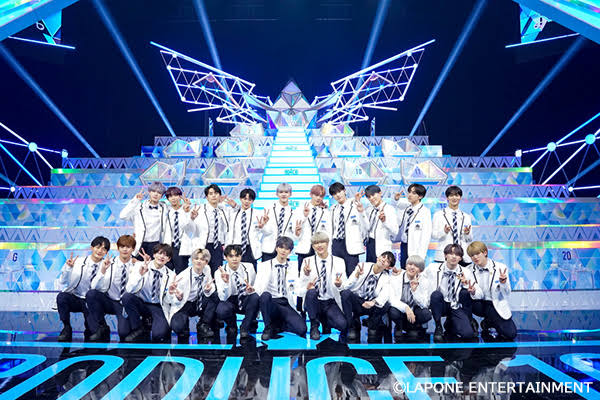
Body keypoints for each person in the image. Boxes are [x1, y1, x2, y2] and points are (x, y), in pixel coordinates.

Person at [55, 236, 110, 342]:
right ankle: (66, 328)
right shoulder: (78, 262)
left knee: (92, 332)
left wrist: (103, 271)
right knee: (62, 297)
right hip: (77, 298)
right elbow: (62, 281)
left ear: (106, 252)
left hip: (92, 301)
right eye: (98, 247)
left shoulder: (107, 266)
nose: (100, 251)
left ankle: (102, 326)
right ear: (91, 247)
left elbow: (100, 288)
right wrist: (68, 268)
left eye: (104, 249)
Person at [297, 232, 347, 341]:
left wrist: (339, 285)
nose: (319, 245)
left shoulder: (339, 261)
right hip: (314, 301)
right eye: (316, 243)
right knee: (311, 292)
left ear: (328, 243)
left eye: (322, 242)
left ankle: (325, 321)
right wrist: (306, 276)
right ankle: (314, 326)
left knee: (343, 325)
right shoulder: (307, 261)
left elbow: (344, 285)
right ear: (312, 246)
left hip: (330, 302)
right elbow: (300, 288)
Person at [421, 244, 476, 342]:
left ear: (460, 258)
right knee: (436, 295)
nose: (454, 257)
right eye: (451, 254)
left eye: (457, 255)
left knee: (467, 334)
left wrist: (467, 286)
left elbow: (478, 291)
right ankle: (438, 326)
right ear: (445, 255)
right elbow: (421, 279)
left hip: (455, 305)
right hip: (440, 304)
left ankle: (450, 323)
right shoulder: (432, 268)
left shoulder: (466, 272)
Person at [255, 236, 307, 340]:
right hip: (271, 302)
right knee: (265, 295)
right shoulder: (264, 265)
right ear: (276, 248)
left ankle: (278, 326)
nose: (283, 251)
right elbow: (258, 287)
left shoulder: (293, 266)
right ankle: (268, 327)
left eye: (287, 249)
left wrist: (306, 286)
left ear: (290, 251)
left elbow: (297, 288)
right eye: (281, 247)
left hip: (285, 302)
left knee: (302, 329)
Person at [86, 234, 136, 342]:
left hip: (125, 303)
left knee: (123, 333)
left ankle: (140, 326)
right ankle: (102, 326)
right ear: (118, 248)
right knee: (91, 294)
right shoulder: (108, 263)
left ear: (133, 249)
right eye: (122, 246)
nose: (125, 249)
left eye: (128, 247)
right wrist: (103, 270)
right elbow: (94, 286)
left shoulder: (137, 265)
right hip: (110, 301)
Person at [122, 243, 176, 343]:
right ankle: (138, 328)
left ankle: (151, 324)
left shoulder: (171, 275)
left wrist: (171, 293)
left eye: (165, 255)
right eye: (159, 253)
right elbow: (129, 289)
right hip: (141, 303)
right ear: (154, 255)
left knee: (159, 335)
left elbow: (168, 300)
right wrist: (140, 275)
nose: (162, 257)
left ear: (168, 259)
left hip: (157, 306)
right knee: (127, 297)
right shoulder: (140, 265)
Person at [466, 241, 517, 341]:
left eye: (477, 254)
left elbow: (507, 293)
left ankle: (487, 322)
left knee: (510, 334)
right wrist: (473, 292)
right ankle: (470, 323)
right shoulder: (468, 270)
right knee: (464, 294)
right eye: (472, 255)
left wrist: (503, 283)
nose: (475, 257)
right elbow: (478, 295)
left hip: (494, 303)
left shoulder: (500, 267)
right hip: (478, 303)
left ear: (485, 252)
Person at [341, 252, 394, 342]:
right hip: (357, 301)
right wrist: (357, 275)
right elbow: (346, 286)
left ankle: (372, 325)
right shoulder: (363, 266)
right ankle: (351, 326)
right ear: (378, 258)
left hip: (371, 304)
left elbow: (385, 295)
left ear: (388, 267)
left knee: (386, 304)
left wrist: (373, 302)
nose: (383, 260)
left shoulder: (386, 278)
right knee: (345, 294)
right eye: (383, 257)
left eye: (387, 261)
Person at [169, 248, 219, 343]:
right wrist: (178, 297)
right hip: (184, 303)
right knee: (178, 327)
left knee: (215, 295)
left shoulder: (207, 269)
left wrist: (209, 290)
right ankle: (184, 326)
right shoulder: (183, 277)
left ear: (206, 262)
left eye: (202, 259)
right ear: (192, 260)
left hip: (198, 301)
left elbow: (210, 285)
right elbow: (172, 298)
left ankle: (203, 324)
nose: (199, 261)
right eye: (196, 258)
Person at [215, 244, 259, 339]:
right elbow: (222, 297)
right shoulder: (219, 272)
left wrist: (251, 290)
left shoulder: (249, 267)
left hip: (245, 297)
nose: (234, 259)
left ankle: (245, 327)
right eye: (231, 256)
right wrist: (226, 283)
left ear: (241, 256)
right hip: (230, 299)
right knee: (221, 309)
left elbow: (256, 287)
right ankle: (231, 325)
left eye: (237, 256)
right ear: (225, 257)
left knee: (255, 297)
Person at [119, 182, 171, 259]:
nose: (156, 194)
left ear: (162, 195)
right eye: (153, 191)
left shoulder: (165, 208)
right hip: (140, 243)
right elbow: (122, 216)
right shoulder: (138, 207)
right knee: (137, 265)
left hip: (156, 244)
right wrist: (135, 200)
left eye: (159, 192)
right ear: (149, 192)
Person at [388, 255, 432, 341]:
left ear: (421, 270)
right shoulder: (395, 278)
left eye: (416, 266)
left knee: (426, 314)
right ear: (405, 266)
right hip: (401, 310)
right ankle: (399, 326)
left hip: (415, 311)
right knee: (392, 311)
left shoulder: (425, 281)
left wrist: (415, 291)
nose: (412, 267)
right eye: (410, 264)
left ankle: (414, 327)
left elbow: (425, 304)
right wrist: (406, 308)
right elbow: (392, 300)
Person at [328, 182, 366, 277]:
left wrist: (361, 210)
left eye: (339, 192)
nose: (337, 195)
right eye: (334, 194)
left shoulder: (355, 205)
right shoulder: (333, 209)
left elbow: (365, 225)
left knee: (352, 274)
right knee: (337, 274)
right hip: (336, 244)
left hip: (350, 245)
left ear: (344, 191)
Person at [190, 184, 229, 274]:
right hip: (204, 245)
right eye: (211, 194)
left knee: (217, 272)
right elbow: (190, 228)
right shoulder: (199, 209)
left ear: (220, 196)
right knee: (202, 272)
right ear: (207, 197)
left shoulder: (223, 210)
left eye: (216, 193)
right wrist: (192, 218)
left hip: (217, 246)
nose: (214, 196)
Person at [432, 185, 474, 266]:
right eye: (451, 195)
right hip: (444, 255)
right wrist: (444, 231)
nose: (454, 198)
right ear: (447, 198)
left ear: (460, 197)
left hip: (462, 256)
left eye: (457, 195)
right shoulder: (439, 215)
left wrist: (467, 233)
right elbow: (434, 235)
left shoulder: (466, 216)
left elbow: (469, 239)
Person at [293, 184, 332, 270]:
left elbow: (329, 233)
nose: (318, 198)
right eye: (316, 195)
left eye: (321, 196)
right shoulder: (300, 209)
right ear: (311, 194)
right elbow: (295, 234)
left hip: (320, 250)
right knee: (302, 274)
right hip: (304, 249)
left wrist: (328, 251)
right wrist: (304, 216)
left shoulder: (325, 212)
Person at [394, 184, 432, 268]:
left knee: (414, 270)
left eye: (414, 193)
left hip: (416, 246)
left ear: (420, 196)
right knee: (403, 269)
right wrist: (396, 199)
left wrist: (421, 255)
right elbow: (398, 205)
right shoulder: (408, 209)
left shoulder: (425, 212)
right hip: (404, 244)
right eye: (409, 192)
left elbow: (426, 235)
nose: (410, 195)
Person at [360, 185, 398, 262]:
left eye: (373, 195)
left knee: (382, 268)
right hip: (369, 244)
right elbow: (364, 226)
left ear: (380, 193)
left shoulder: (389, 209)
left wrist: (384, 221)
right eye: (369, 197)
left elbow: (395, 231)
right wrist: (361, 213)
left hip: (382, 246)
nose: (371, 198)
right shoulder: (368, 209)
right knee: (370, 268)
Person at [225, 188, 262, 269]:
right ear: (240, 199)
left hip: (250, 247)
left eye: (249, 199)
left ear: (253, 201)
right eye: (245, 199)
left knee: (251, 271)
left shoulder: (258, 213)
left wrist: (261, 227)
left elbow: (261, 230)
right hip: (235, 247)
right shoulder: (233, 212)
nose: (247, 201)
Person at [260, 183, 295, 262]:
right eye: (281, 192)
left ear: (290, 194)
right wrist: (263, 225)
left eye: (286, 192)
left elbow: (293, 233)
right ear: (277, 194)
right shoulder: (268, 209)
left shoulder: (293, 212)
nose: (283, 194)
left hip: (284, 250)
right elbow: (265, 231)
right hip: (269, 248)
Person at [165, 186, 195, 274]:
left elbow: (191, 229)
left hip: (182, 246)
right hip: (168, 246)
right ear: (168, 199)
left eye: (175, 195)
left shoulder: (188, 210)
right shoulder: (166, 211)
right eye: (170, 196)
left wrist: (187, 212)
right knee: (166, 273)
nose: (173, 198)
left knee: (182, 274)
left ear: (180, 197)